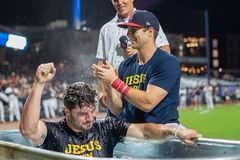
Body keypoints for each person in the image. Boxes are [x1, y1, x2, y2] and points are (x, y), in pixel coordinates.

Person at [20, 63, 201, 158]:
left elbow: (145, 132)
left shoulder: (106, 126)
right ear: (66, 111)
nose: (90, 118)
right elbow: (28, 130)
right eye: (82, 114)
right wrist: (39, 83)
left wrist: (176, 131)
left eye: (92, 111)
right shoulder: (54, 132)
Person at [92, 10, 181, 125]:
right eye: (128, 29)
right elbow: (116, 109)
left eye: (133, 30)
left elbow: (148, 103)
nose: (128, 34)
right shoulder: (125, 65)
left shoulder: (167, 62)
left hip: (161, 131)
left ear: (150, 32)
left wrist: (114, 81)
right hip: (135, 133)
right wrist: (108, 83)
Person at [96, 0, 170, 108]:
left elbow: (166, 51)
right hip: (114, 89)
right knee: (116, 121)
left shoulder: (146, 19)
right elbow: (102, 62)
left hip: (139, 84)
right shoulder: (106, 29)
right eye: (115, 0)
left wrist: (140, 52)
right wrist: (102, 92)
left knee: (141, 119)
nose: (120, 2)